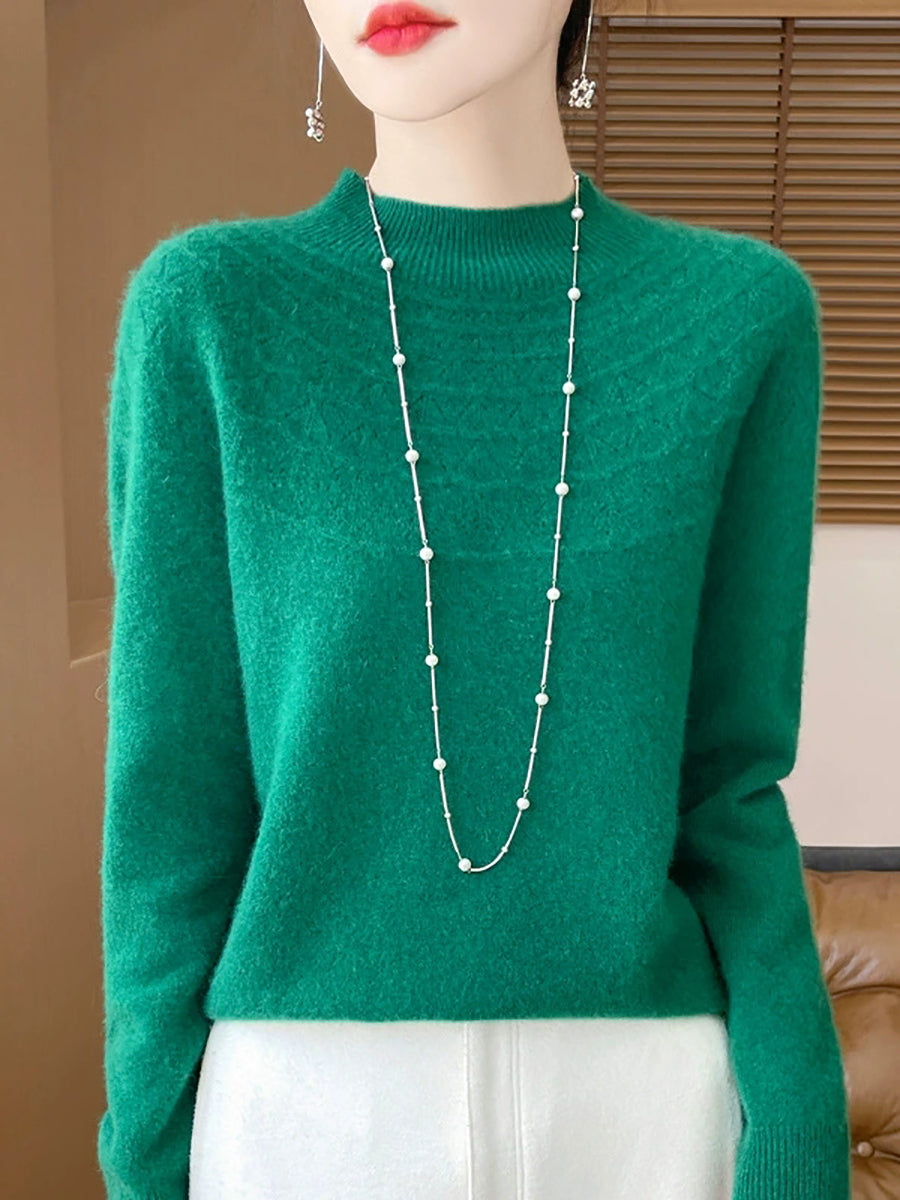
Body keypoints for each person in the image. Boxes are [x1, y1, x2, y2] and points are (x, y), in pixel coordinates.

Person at [97, 1, 852, 1197]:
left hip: (643, 1113)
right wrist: (145, 1153)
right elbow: (171, 797)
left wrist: (800, 1135)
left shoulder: (738, 318)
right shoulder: (210, 312)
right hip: (306, 1118)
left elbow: (730, 784)